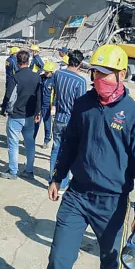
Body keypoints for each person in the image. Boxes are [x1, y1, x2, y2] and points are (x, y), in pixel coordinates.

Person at [46, 44, 135, 269]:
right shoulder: (83, 103)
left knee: (110, 268)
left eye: (106, 73)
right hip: (77, 197)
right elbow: (69, 143)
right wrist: (57, 177)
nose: (99, 78)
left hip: (112, 203)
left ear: (122, 74)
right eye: (96, 72)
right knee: (58, 263)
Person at [49, 49, 89, 194]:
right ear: (79, 64)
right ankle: (62, 183)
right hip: (71, 121)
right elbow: (81, 105)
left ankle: (52, 179)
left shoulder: (58, 74)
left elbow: (54, 92)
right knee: (69, 152)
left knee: (55, 149)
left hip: (58, 118)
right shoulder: (80, 81)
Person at [2, 50, 43, 180]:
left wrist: (4, 109)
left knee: (13, 144)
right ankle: (29, 170)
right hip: (30, 115)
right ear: (29, 61)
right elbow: (39, 97)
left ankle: (13, 171)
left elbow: (8, 96)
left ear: (17, 63)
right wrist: (38, 112)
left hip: (16, 115)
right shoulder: (37, 77)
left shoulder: (15, 77)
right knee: (30, 143)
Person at [35, 61, 57, 148]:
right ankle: (31, 139)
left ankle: (46, 141)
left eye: (47, 72)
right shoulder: (41, 78)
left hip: (48, 107)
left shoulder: (55, 80)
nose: (46, 73)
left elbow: (56, 94)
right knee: (36, 124)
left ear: (52, 72)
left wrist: (53, 106)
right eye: (45, 71)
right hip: (40, 105)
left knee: (47, 125)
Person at [1, 46, 19, 113]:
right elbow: (16, 70)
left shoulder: (8, 59)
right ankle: (7, 109)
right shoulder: (14, 60)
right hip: (12, 79)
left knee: (7, 94)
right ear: (14, 53)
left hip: (8, 78)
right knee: (11, 95)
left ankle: (3, 107)